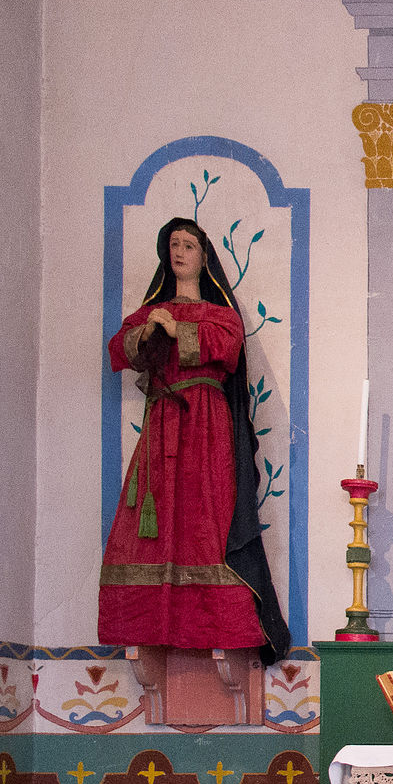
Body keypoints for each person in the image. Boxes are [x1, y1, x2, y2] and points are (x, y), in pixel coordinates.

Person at [99, 217, 290, 665]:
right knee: (158, 520)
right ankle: (151, 624)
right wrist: (148, 330)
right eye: (173, 244)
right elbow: (118, 350)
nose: (179, 252)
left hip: (207, 426)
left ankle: (222, 623)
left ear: (205, 258)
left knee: (209, 516)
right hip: (163, 425)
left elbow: (228, 346)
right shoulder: (152, 312)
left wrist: (176, 331)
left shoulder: (220, 314)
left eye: (188, 245)